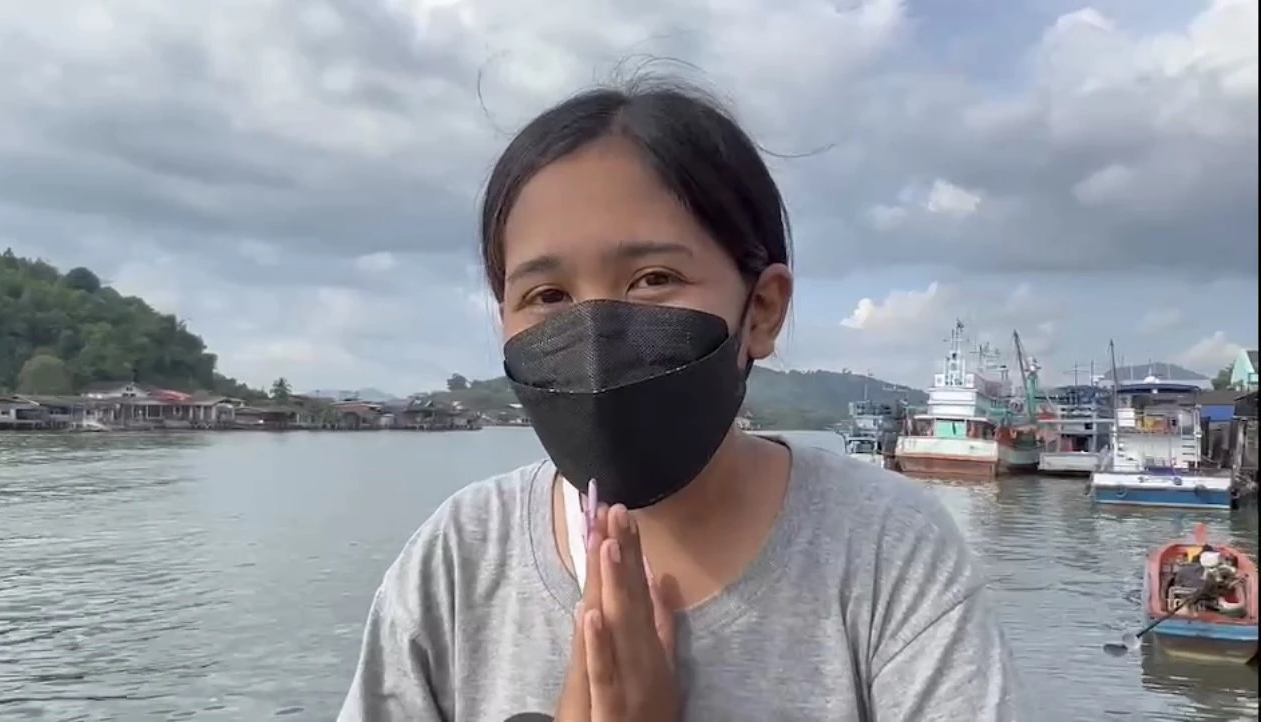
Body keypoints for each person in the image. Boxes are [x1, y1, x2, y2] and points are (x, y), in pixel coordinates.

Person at [338, 77, 1029, 722]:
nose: (596, 336)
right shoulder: (460, 559)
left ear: (762, 309)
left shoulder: (884, 552)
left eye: (653, 278)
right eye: (546, 295)